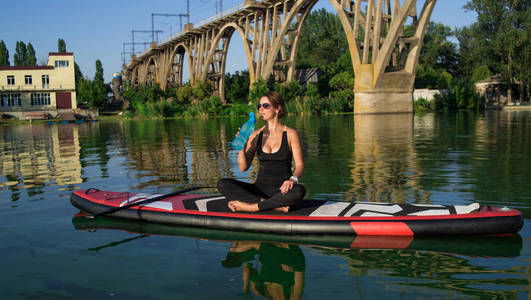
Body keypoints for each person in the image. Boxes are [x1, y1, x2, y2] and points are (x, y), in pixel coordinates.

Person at [217, 91, 305, 212]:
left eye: (266, 106)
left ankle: (252, 207)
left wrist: (292, 180)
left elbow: (300, 165)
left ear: (277, 108)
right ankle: (276, 206)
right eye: (259, 106)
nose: (261, 109)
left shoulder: (291, 134)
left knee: (299, 191)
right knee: (223, 184)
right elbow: (243, 168)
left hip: (282, 191)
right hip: (259, 190)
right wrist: (241, 147)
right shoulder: (255, 134)